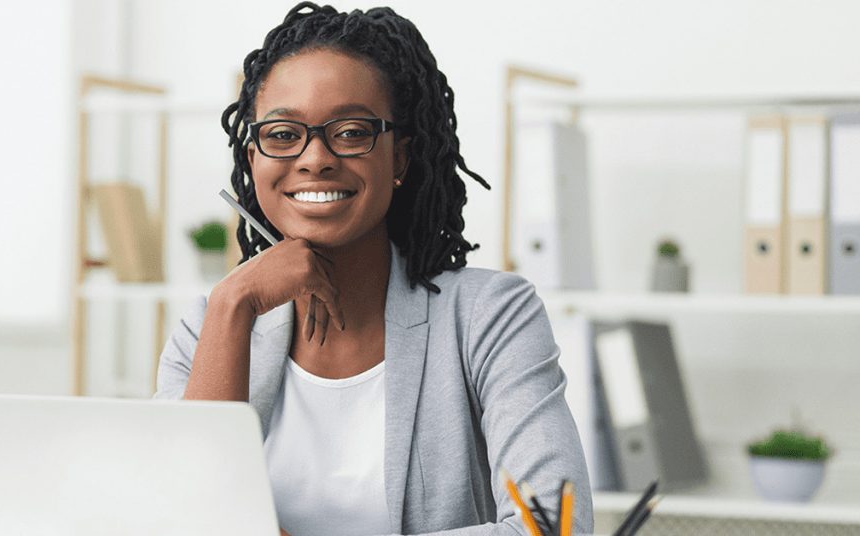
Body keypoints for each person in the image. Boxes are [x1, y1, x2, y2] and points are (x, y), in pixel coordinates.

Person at [155, 3, 593, 535]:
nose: (314, 157)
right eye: (283, 134)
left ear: (400, 158)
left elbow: (552, 526)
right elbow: (181, 520)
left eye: (350, 131)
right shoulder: (210, 326)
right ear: (253, 161)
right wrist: (233, 302)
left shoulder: (490, 317)